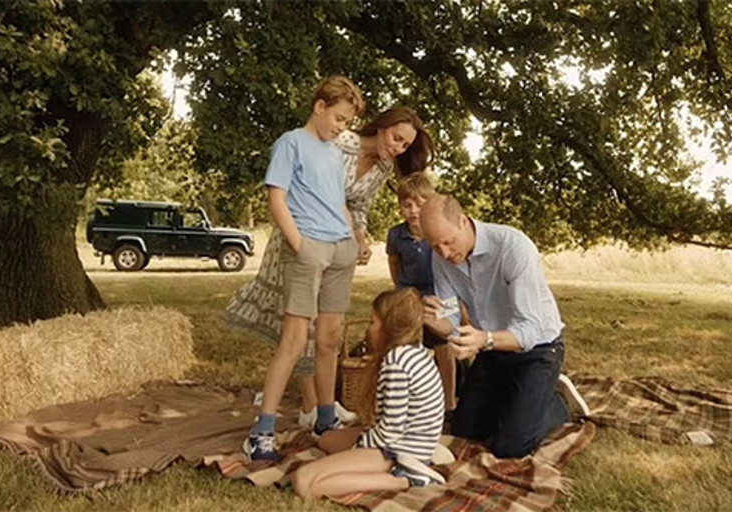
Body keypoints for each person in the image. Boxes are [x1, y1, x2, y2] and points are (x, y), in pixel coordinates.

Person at [225, 107, 435, 428]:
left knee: (328, 329)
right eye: (396, 138)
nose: (398, 148)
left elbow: (358, 206)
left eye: (405, 146)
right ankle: (310, 405)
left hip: (338, 242)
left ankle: (321, 408)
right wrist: (303, 240)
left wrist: (360, 240)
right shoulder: (340, 141)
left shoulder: (383, 167)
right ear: (382, 127)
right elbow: (301, 185)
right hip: (302, 237)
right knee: (300, 327)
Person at [244, 76, 364, 461]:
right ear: (320, 107)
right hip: (309, 248)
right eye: (339, 119)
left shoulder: (333, 152)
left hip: (340, 251)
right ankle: (261, 431)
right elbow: (276, 199)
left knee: (329, 339)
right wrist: (301, 246)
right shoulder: (291, 143)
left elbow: (337, 200)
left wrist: (353, 237)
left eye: (347, 122)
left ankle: (325, 420)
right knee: (295, 341)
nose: (341, 128)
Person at [418, 194, 590, 459]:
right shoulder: (439, 257)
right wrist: (435, 321)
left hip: (538, 349)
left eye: (448, 242)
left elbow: (531, 329)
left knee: (511, 447)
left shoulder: (512, 246)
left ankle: (557, 401)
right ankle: (518, 401)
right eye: (435, 245)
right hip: (491, 349)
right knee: (466, 432)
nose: (444, 253)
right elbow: (451, 321)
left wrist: (484, 340)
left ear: (464, 222)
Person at [292, 288, 445, 500]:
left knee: (304, 481)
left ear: (389, 328)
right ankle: (388, 466)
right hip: (403, 441)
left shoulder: (396, 364)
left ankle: (404, 479)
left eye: (373, 322)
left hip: (396, 451)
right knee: (326, 440)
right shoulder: (414, 350)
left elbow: (390, 433)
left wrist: (358, 448)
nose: (368, 329)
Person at [385, 173, 460, 415]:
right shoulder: (396, 235)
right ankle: (407, 401)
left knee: (444, 346)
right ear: (400, 207)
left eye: (420, 204)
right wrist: (405, 293)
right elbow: (394, 266)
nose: (413, 210)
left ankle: (449, 400)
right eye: (407, 205)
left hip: (440, 295)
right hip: (409, 295)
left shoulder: (436, 233)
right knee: (404, 346)